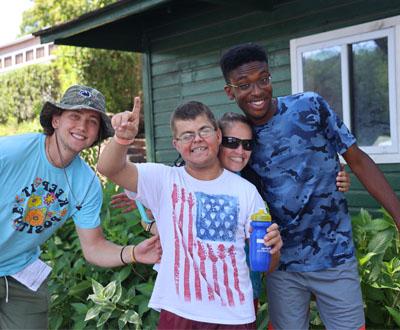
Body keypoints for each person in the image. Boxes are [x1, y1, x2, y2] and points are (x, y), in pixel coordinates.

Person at [219, 43, 400, 330]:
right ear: (230, 91)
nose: (256, 92)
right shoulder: (239, 137)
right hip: (282, 264)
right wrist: (144, 200)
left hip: (334, 254)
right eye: (244, 85)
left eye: (262, 80)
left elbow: (356, 159)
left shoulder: (310, 106)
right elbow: (204, 167)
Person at [110, 111, 351, 316]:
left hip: (240, 293)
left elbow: (297, 186)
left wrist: (334, 178)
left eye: (247, 145)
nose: (240, 150)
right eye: (232, 142)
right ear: (217, 139)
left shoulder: (250, 183)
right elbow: (159, 207)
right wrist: (148, 214)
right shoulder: (181, 177)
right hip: (189, 297)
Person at [98, 99, 282, 329]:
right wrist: (122, 138)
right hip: (179, 313)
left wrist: (273, 249)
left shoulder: (246, 191)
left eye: (204, 130)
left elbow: (267, 265)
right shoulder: (163, 180)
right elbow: (108, 168)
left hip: (235, 316)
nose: (196, 139)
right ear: (176, 144)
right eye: (187, 135)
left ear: (217, 135)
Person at [0, 85, 161, 330]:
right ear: (55, 120)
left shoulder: (87, 184)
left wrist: (134, 253)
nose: (82, 127)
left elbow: (94, 247)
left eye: (92, 121)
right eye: (74, 116)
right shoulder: (11, 152)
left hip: (21, 272)